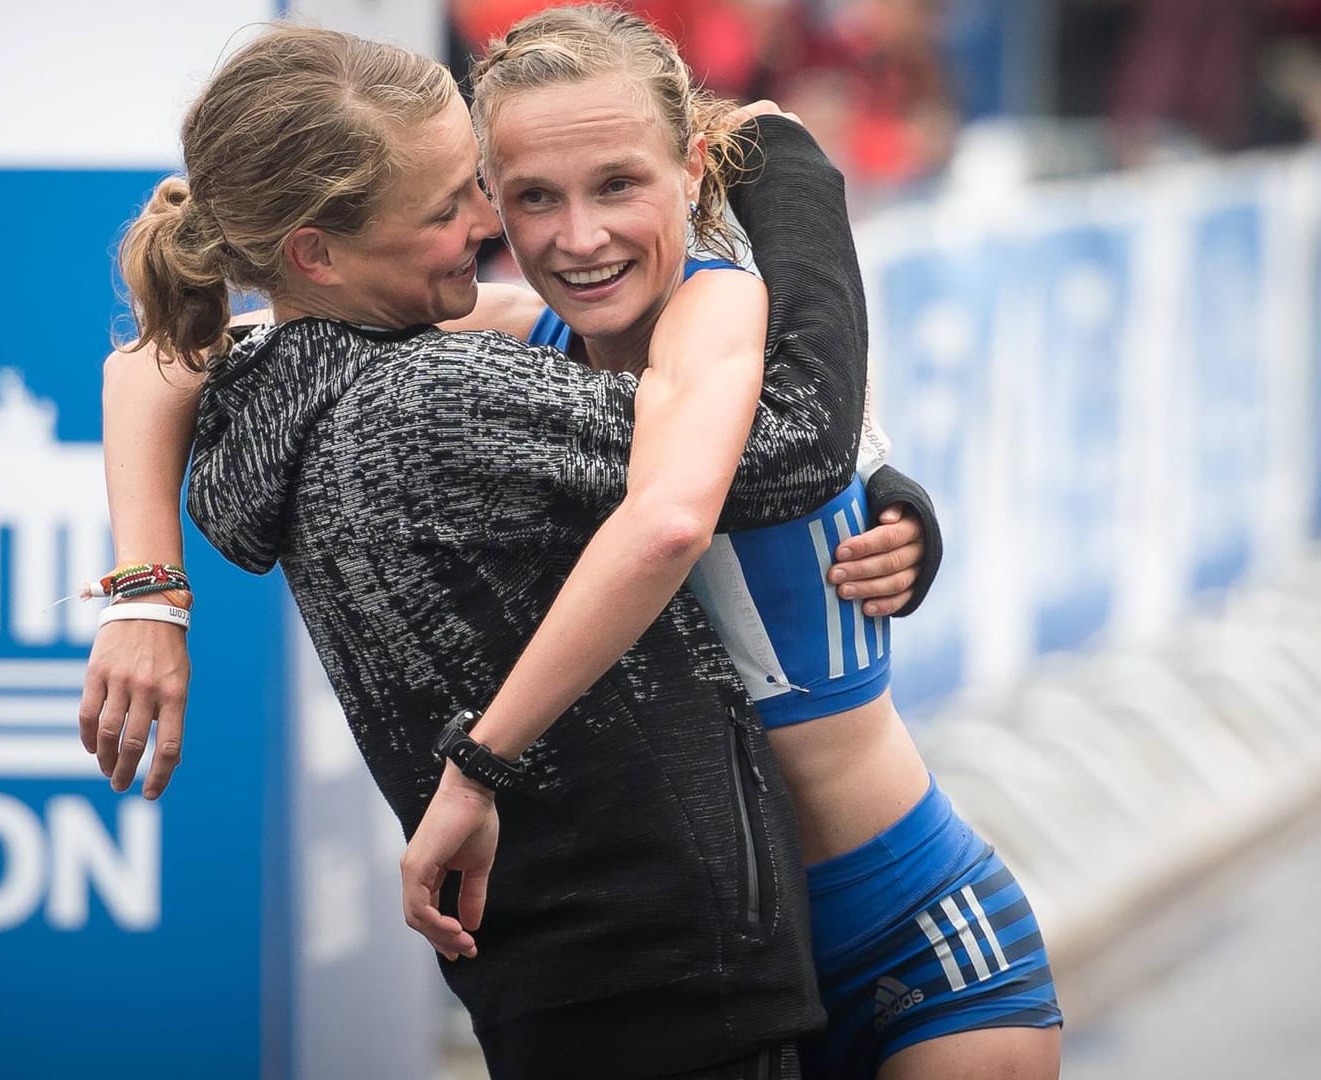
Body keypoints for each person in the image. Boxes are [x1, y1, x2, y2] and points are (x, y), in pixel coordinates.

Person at [90, 21, 912, 1080]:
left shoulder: (289, 389)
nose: (491, 225)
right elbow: (788, 441)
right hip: (668, 969)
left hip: (570, 978)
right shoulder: (435, 403)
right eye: (449, 208)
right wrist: (793, 173)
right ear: (316, 254)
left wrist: (147, 598)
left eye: (480, 185)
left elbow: (153, 363)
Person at [396, 8, 1061, 1079]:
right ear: (490, 202)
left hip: (915, 943)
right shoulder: (536, 338)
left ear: (693, 166)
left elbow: (679, 513)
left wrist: (476, 769)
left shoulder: (731, 307)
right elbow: (198, 356)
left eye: (618, 184)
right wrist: (146, 596)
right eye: (534, 197)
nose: (579, 237)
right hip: (715, 980)